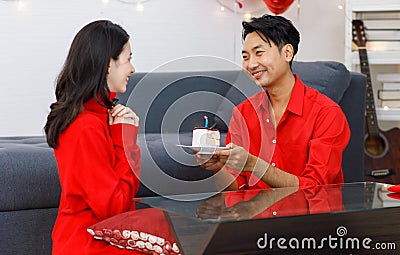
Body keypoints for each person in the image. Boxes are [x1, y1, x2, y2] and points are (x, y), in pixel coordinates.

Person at [196, 14, 350, 190]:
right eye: (245, 57)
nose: (251, 64)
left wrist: (255, 165)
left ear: (287, 53)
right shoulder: (243, 113)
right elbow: (236, 189)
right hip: (256, 215)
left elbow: (316, 187)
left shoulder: (327, 113)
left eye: (259, 53)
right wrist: (217, 169)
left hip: (309, 216)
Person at [44, 20, 142, 254]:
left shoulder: (101, 116)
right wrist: (125, 139)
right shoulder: (85, 126)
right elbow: (115, 208)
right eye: (128, 59)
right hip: (89, 243)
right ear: (108, 64)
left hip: (102, 236)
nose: (132, 68)